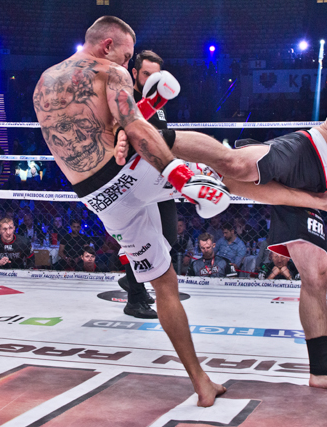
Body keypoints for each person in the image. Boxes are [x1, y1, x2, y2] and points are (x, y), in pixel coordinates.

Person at [35, 16, 327, 407]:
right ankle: (316, 195)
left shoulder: (43, 83)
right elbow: (135, 128)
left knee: (164, 284)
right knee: (228, 168)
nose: (127, 64)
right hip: (131, 173)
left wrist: (150, 106)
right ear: (108, 45)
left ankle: (201, 382)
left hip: (98, 197)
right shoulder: (110, 71)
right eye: (126, 55)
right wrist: (178, 174)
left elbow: (96, 131)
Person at [142, 46, 327, 396]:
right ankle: (148, 136)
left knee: (317, 274)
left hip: (323, 187)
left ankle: (322, 371)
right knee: (237, 166)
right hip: (307, 152)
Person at [116, 49, 179, 320]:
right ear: (134, 73)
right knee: (142, 240)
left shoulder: (158, 102)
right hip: (137, 181)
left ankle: (132, 279)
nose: (152, 80)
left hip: (159, 178)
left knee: (169, 237)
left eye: (156, 75)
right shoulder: (126, 100)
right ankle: (135, 298)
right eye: (146, 74)